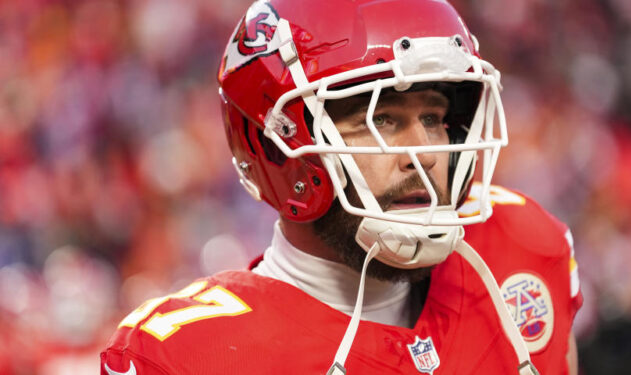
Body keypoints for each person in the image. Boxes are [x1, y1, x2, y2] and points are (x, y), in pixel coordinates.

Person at [101, 0, 582, 374]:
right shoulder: (189, 355)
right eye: (383, 120)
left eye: (434, 118)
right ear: (282, 146)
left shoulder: (521, 249)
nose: (427, 155)